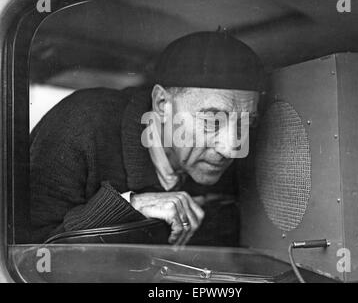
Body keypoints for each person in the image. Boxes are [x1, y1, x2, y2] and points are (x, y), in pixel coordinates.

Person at [30, 31, 265, 245]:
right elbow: (29, 252)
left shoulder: (227, 160)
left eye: (247, 123)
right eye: (212, 121)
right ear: (162, 104)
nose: (231, 149)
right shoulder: (82, 124)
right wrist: (132, 206)